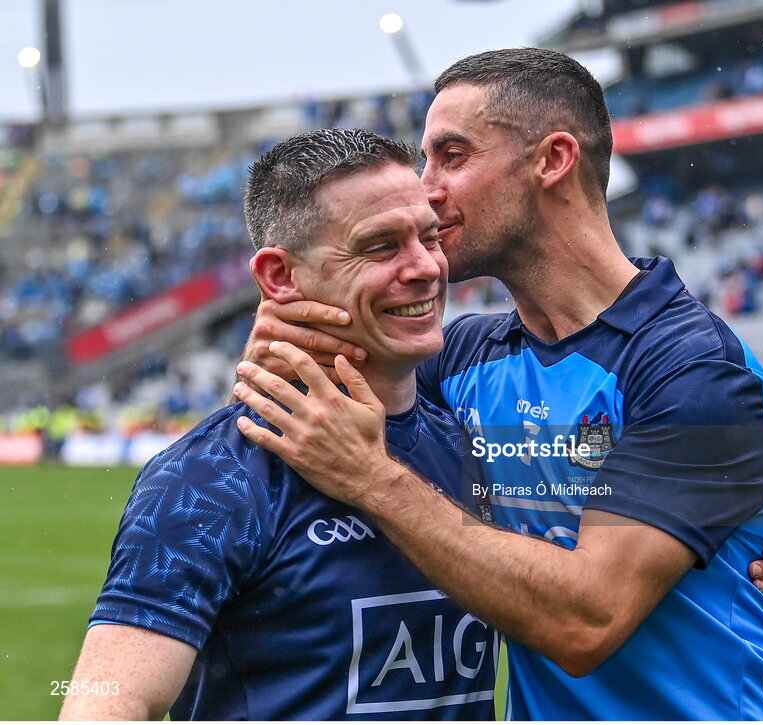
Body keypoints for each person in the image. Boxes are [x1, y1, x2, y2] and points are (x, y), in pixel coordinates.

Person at [236, 48, 763, 719]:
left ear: (552, 160)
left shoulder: (693, 368)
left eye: (451, 155)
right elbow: (279, 412)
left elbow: (586, 621)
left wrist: (372, 478)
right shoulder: (459, 357)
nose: (426, 190)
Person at [59, 129, 500, 720]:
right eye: (379, 247)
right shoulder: (209, 476)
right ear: (280, 277)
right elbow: (104, 706)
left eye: (428, 237)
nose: (424, 268)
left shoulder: (470, 434)